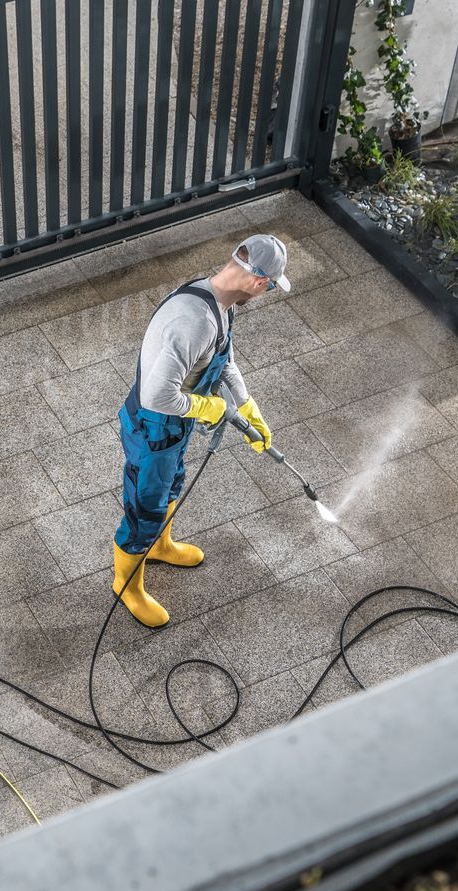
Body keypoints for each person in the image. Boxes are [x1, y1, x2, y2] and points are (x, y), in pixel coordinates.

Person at [111, 233, 291, 629]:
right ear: (260, 282)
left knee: (173, 484)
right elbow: (157, 395)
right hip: (154, 427)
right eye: (273, 286)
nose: (269, 291)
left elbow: (221, 358)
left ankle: (159, 546)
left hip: (177, 422)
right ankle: (127, 585)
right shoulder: (193, 321)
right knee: (145, 508)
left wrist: (245, 403)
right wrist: (209, 407)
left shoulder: (221, 302)